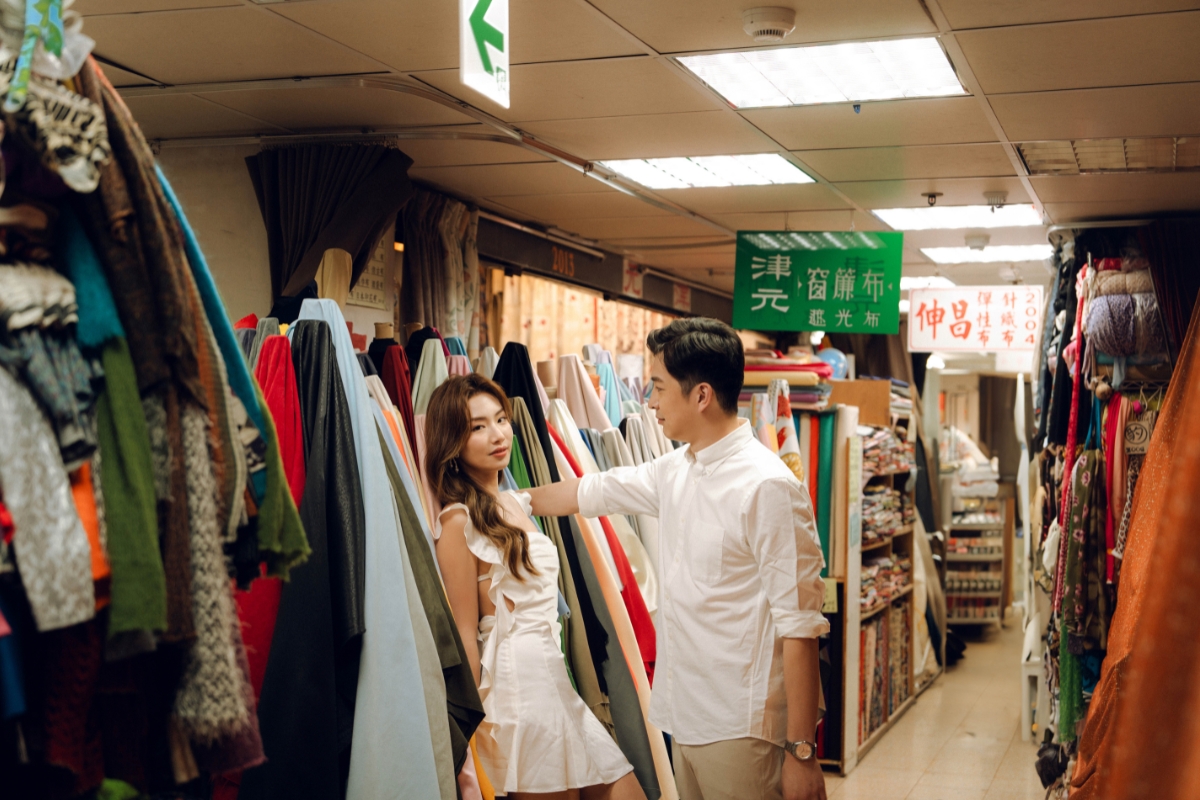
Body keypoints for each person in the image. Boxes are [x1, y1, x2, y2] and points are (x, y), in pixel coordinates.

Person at [526, 318, 829, 800]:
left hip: (741, 729)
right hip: (682, 716)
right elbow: (594, 491)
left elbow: (800, 629)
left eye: (659, 387)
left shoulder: (767, 487)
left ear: (701, 395)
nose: (649, 402)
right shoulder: (678, 467)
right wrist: (510, 503)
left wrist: (801, 752)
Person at [426, 373, 646, 800]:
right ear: (453, 441)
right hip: (515, 689)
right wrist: (464, 733)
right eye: (477, 426)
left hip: (551, 677)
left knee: (627, 789)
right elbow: (465, 637)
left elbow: (589, 491)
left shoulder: (514, 501)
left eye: (501, 419)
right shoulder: (457, 522)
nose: (497, 434)